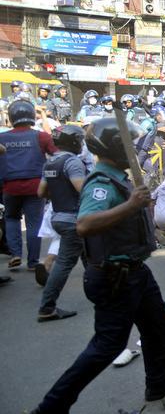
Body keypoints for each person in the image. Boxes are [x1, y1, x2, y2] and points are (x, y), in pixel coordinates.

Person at [25, 117, 165, 414]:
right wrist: (132, 204)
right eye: (129, 145)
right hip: (114, 276)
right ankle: (51, 409)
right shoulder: (100, 182)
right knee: (108, 344)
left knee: (157, 323)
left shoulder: (118, 177)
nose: (135, 150)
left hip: (133, 270)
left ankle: (161, 384)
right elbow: (85, 224)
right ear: (116, 148)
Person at [36, 124, 88, 322]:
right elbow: (82, 190)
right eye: (79, 140)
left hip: (58, 216)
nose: (81, 143)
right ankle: (47, 307)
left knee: (89, 256)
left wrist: (59, 191)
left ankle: (104, 294)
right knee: (64, 264)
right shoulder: (72, 162)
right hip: (72, 218)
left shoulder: (50, 163)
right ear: (73, 141)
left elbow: (41, 192)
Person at [0, 99, 57, 272]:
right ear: (32, 115)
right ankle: (33, 262)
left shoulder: (2, 137)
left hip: (9, 187)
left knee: (11, 219)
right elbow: (56, 154)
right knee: (34, 223)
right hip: (36, 187)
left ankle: (16, 254)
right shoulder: (41, 136)